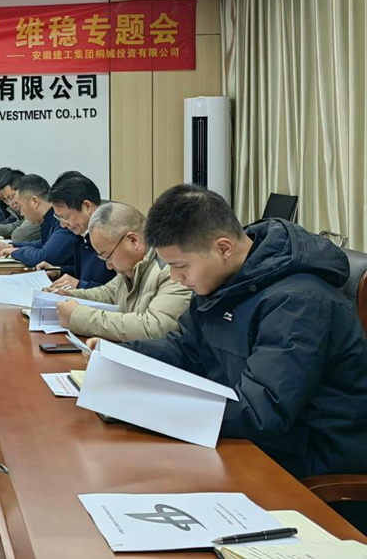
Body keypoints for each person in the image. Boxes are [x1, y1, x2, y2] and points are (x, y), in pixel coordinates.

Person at [90, 184, 367, 480]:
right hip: (252, 441)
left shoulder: (299, 302)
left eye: (180, 265)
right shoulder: (223, 282)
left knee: (139, 474)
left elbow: (263, 412)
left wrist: (149, 408)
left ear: (223, 248)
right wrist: (118, 356)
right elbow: (187, 349)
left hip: (308, 460)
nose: (175, 277)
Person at [53, 202, 191, 341]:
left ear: (133, 241)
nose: (109, 266)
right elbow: (108, 293)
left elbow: (155, 328)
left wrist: (79, 317)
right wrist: (69, 295)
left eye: (108, 256)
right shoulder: (131, 267)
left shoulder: (173, 270)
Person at [38, 171, 116, 290]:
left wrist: (80, 285)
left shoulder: (114, 236)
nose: (63, 225)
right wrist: (60, 271)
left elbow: (121, 291)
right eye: (59, 218)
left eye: (65, 217)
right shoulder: (84, 234)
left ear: (87, 207)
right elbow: (86, 273)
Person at [0, 174, 78, 271]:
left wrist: (14, 251)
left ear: (34, 202)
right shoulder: (48, 219)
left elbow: (43, 257)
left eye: (21, 206)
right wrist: (11, 246)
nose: (21, 213)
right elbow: (42, 244)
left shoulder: (63, 220)